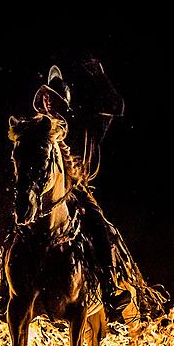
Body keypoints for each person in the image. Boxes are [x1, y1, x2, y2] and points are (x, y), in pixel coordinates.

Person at [33, 63, 154, 325]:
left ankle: (109, 286)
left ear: (62, 101)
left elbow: (116, 106)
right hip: (41, 193)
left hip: (76, 190)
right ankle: (4, 291)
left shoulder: (84, 125)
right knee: (16, 229)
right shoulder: (36, 127)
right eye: (44, 96)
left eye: (51, 97)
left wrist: (98, 74)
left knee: (99, 226)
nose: (47, 101)